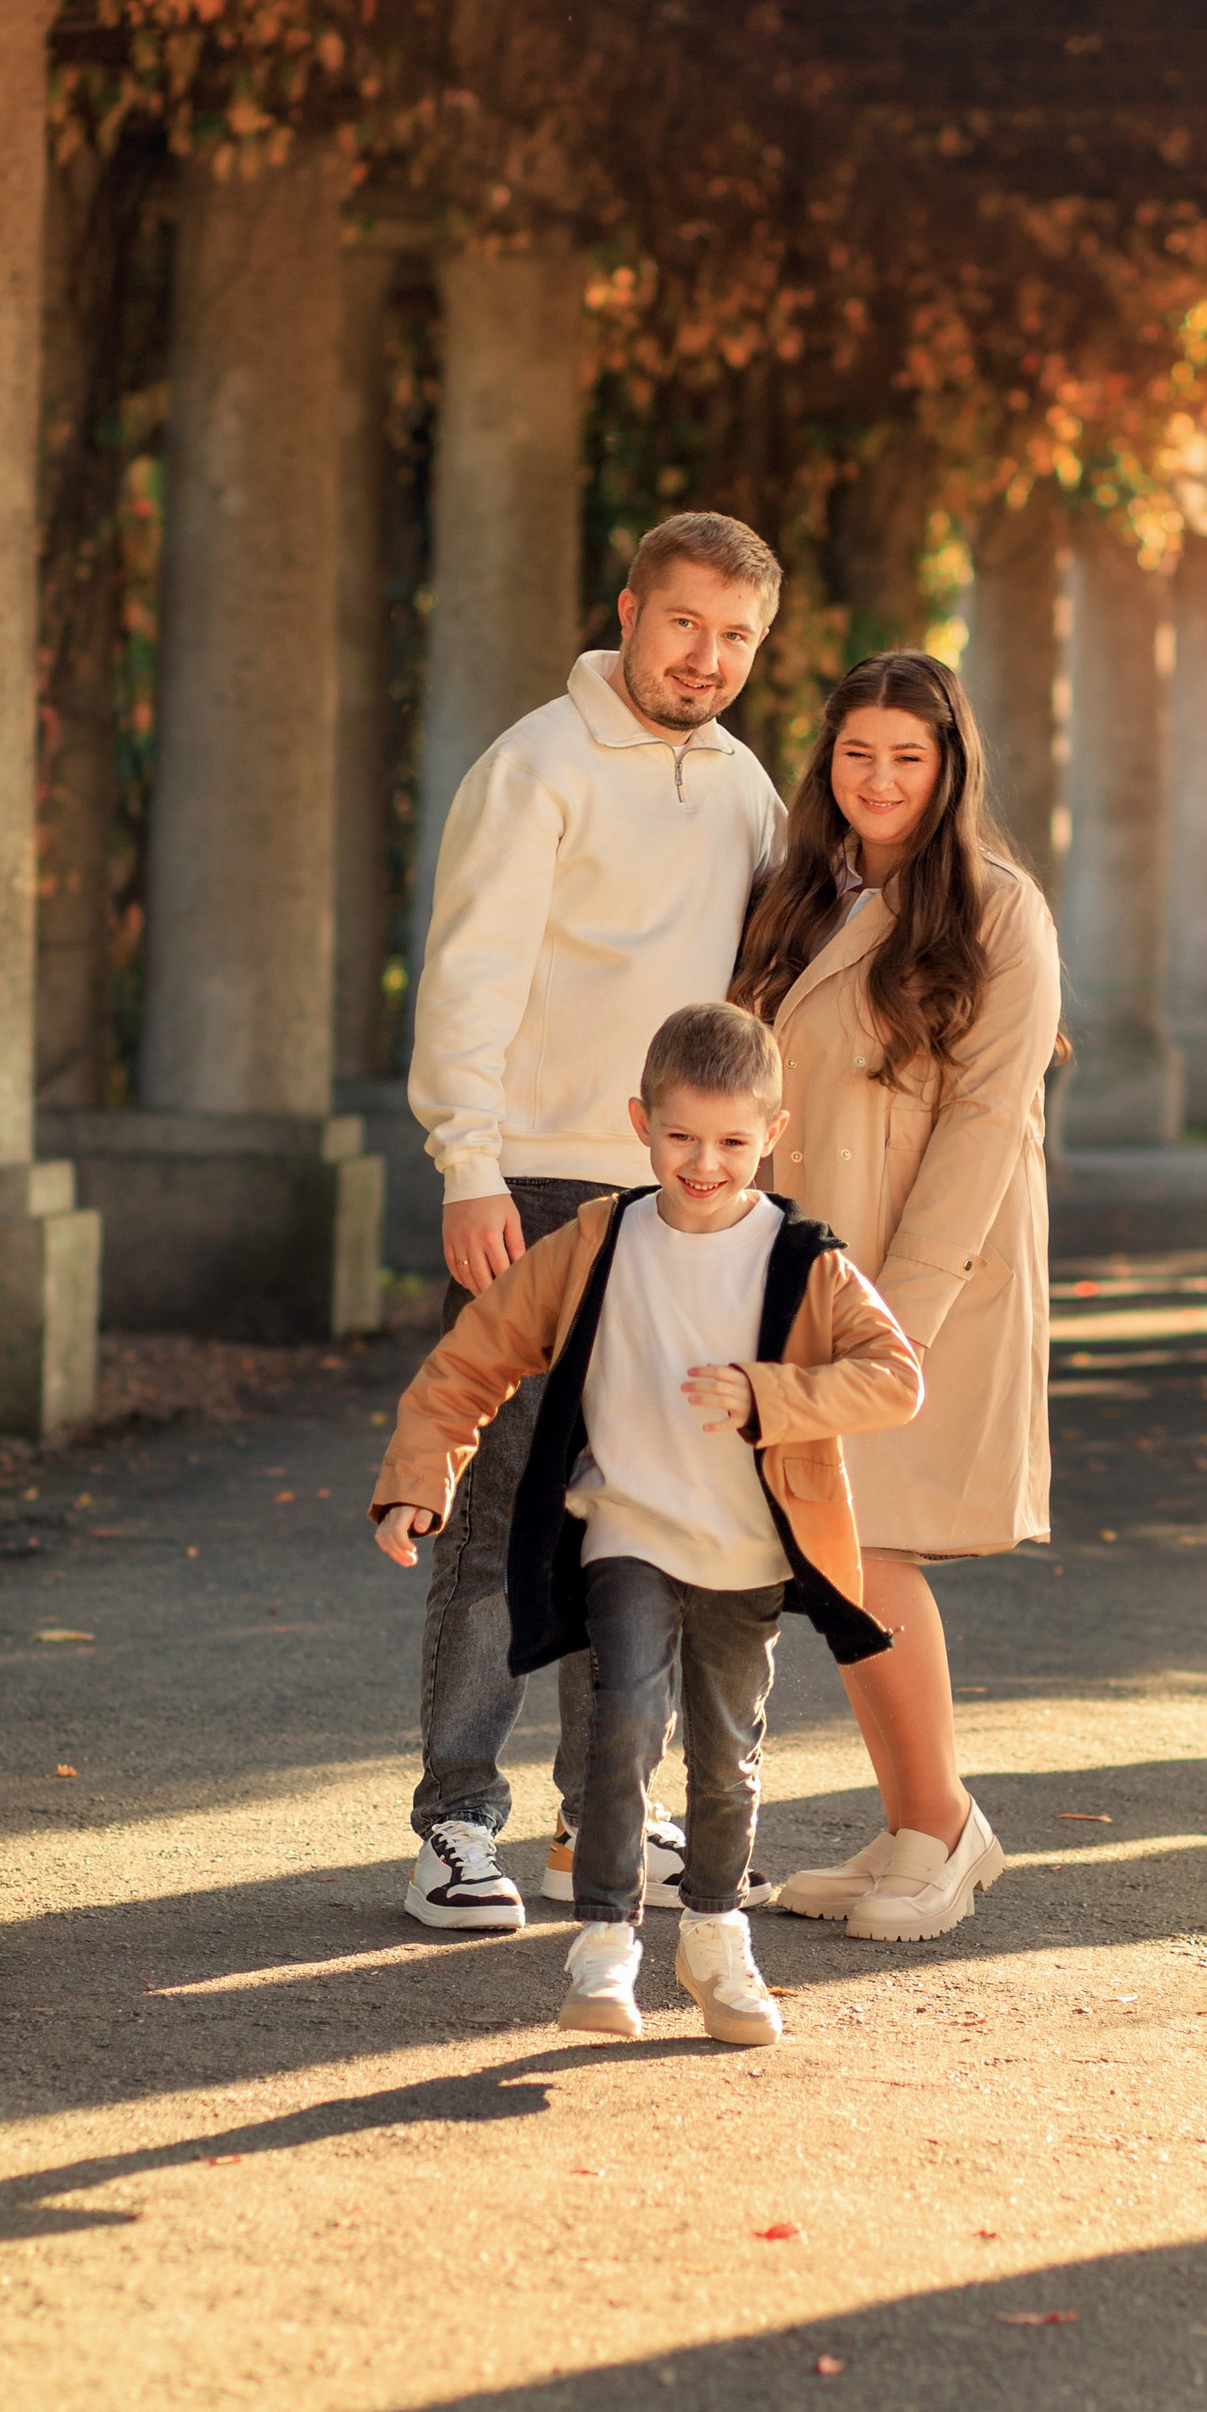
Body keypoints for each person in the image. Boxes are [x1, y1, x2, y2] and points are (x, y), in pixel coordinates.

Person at [373, 1002, 922, 2040]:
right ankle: (603, 1946)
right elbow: (474, 1355)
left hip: (746, 1550)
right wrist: (419, 1476)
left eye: (730, 1143)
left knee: (726, 1756)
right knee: (622, 1720)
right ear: (639, 1122)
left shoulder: (802, 1257)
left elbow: (894, 1378)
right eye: (680, 1137)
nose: (703, 1164)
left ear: (771, 1133)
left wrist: (768, 1394)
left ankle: (714, 1938)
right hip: (624, 1529)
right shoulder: (597, 1240)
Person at [400, 510, 788, 1931]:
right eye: (684, 621)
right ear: (628, 611)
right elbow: (473, 974)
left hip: (682, 1193)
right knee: (502, 1518)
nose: (706, 656)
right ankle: (455, 1824)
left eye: (736, 636)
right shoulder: (537, 765)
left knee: (638, 1520)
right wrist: (467, 1163)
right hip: (537, 1188)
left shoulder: (745, 786)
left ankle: (600, 1820)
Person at [732, 646, 1061, 1943]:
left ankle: (940, 1827)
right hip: (803, 1263)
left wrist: (895, 1318)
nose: (878, 779)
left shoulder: (998, 910)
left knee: (870, 1546)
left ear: (947, 768)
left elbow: (984, 1126)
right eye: (857, 753)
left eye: (906, 758)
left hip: (934, 1277)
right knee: (833, 1548)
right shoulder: (797, 896)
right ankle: (914, 1822)